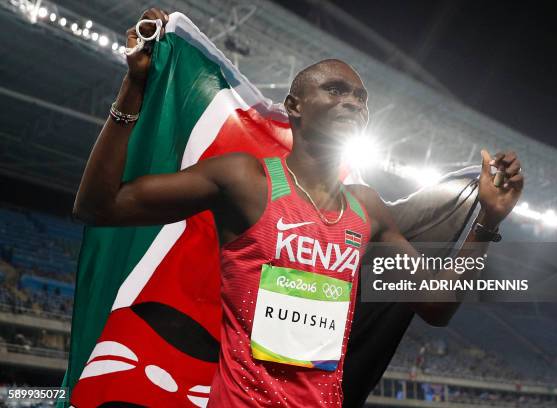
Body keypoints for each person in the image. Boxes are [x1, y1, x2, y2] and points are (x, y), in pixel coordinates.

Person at [72, 8, 523, 407]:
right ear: (295, 106)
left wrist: (488, 219)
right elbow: (100, 206)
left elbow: (436, 306)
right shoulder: (246, 180)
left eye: (361, 97)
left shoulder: (366, 209)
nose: (352, 101)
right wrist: (134, 86)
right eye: (335, 90)